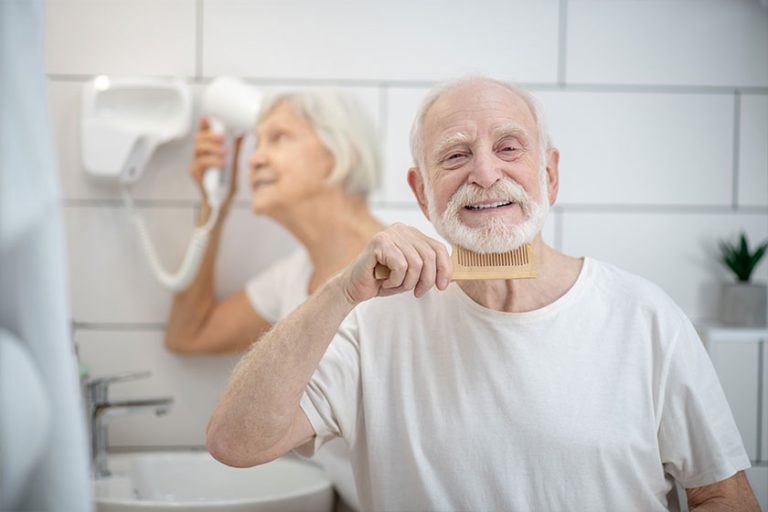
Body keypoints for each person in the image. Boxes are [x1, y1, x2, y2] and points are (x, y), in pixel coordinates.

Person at [206, 77, 760, 511]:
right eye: (454, 155)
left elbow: (721, 496)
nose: (486, 173)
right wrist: (338, 293)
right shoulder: (372, 325)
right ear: (422, 192)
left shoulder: (645, 318)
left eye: (509, 147)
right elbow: (236, 443)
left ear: (550, 173)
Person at [165, 89, 385, 510]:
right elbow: (189, 334)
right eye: (256, 143)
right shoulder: (294, 276)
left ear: (346, 155)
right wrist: (216, 205)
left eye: (279, 138)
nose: (254, 158)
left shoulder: (409, 269)